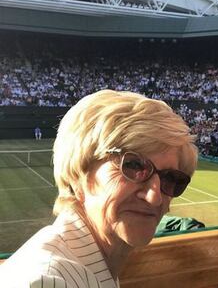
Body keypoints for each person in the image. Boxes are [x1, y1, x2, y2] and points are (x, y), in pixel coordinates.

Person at [0, 90, 198, 287]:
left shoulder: (91, 266)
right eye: (133, 165)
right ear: (79, 174)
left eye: (172, 179)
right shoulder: (43, 281)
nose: (155, 197)